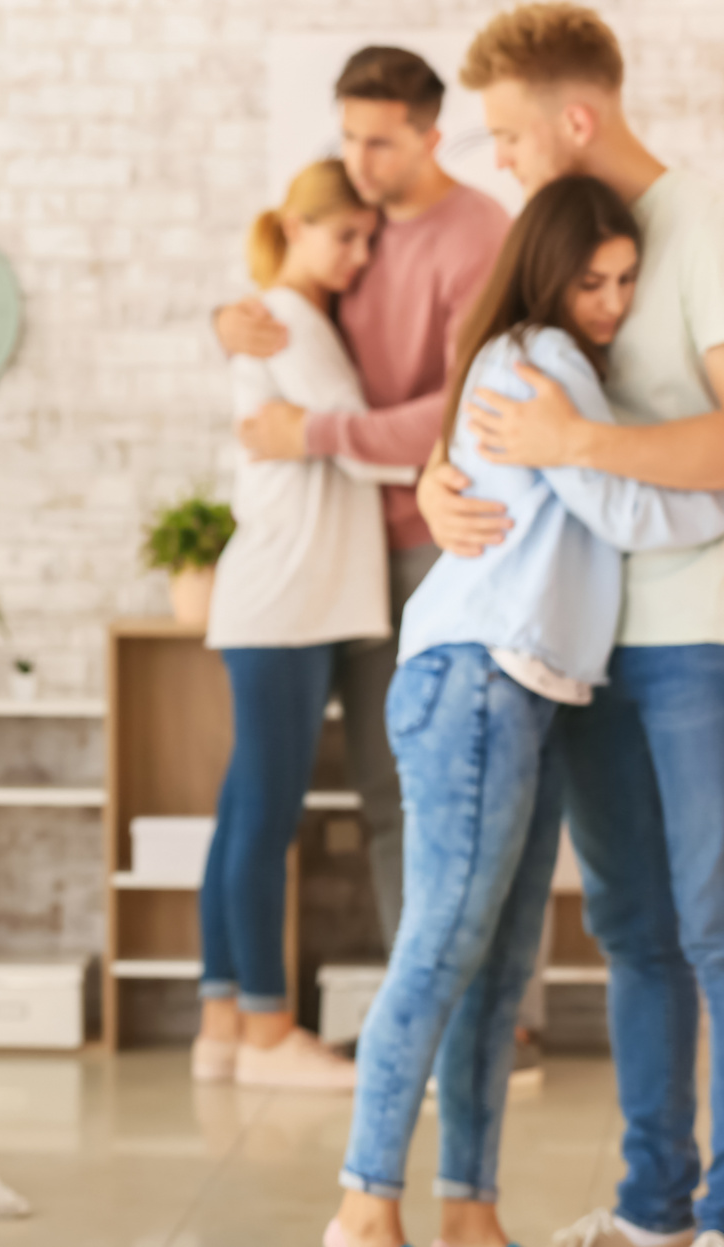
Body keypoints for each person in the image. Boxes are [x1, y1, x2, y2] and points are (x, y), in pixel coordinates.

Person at [414, 4, 724, 1247]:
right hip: (587, 646)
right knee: (632, 931)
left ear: (575, 119)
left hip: (701, 639)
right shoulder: (567, 250)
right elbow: (508, 394)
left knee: (721, 927)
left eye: (511, 136)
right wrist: (433, 476)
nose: (501, 162)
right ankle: (653, 1210)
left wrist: (578, 444)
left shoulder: (712, 231)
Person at [329, 176, 724, 1247]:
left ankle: (470, 1207)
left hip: (527, 687)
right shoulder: (539, 357)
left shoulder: (539, 358)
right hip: (476, 674)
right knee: (440, 946)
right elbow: (614, 500)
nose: (608, 301)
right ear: (547, 272)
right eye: (591, 279)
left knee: (496, 964)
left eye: (623, 282)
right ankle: (362, 1199)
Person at [213, 47, 511, 950]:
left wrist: (313, 432)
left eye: (382, 143)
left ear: (431, 135)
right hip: (342, 555)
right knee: (373, 794)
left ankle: (482, 1013)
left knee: (429, 787)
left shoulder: (479, 233)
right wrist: (230, 324)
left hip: (431, 540)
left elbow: (467, 411)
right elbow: (287, 325)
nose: (362, 162)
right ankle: (409, 1009)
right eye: (349, 138)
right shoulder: (351, 227)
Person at [195, 160, 413, 1090]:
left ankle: (222, 1026)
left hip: (287, 597)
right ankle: (270, 1031)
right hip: (287, 599)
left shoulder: (278, 316)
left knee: (247, 809)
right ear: (294, 225)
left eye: (369, 239)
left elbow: (326, 432)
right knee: (265, 817)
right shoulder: (290, 317)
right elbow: (364, 445)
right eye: (344, 236)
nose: (359, 255)